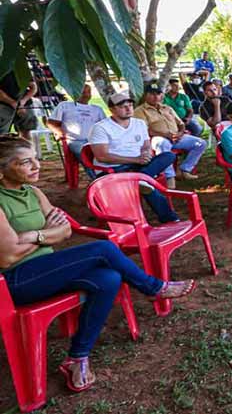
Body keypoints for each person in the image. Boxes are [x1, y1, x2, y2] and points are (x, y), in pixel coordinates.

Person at [0, 135, 195, 394]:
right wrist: (46, 234)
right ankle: (153, 287)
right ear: (2, 170)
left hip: (47, 268)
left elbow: (65, 230)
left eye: (36, 158)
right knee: (102, 249)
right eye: (26, 162)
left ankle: (77, 357)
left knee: (109, 279)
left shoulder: (34, 192)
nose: (37, 166)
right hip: (16, 282)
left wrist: (34, 235)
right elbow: (9, 257)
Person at [87, 92, 179, 223]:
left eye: (130, 105)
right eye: (122, 106)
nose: (128, 108)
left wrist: (146, 153)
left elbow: (146, 145)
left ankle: (140, 178)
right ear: (111, 109)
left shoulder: (139, 123)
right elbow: (102, 156)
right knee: (147, 184)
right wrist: (136, 160)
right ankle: (168, 217)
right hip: (113, 168)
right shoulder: (100, 128)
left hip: (138, 165)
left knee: (168, 156)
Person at [134, 81, 207, 187]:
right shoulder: (140, 111)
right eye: (152, 94)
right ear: (146, 95)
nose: (156, 97)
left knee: (200, 143)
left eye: (158, 94)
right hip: (156, 138)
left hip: (176, 137)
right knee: (163, 145)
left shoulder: (167, 108)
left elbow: (181, 123)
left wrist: (181, 133)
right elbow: (145, 131)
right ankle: (170, 177)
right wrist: (166, 135)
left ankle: (185, 170)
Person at [47, 84, 106, 178]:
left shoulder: (97, 109)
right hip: (75, 141)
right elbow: (51, 122)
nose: (86, 95)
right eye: (83, 92)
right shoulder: (65, 105)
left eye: (88, 92)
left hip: (95, 141)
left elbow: (104, 126)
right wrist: (58, 132)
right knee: (87, 155)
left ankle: (110, 176)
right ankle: (97, 179)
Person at [0, 73, 37, 141]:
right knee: (2, 134)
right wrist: (14, 103)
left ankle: (27, 150)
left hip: (24, 104)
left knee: (26, 131)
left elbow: (33, 86)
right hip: (4, 105)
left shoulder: (21, 67)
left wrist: (23, 101)